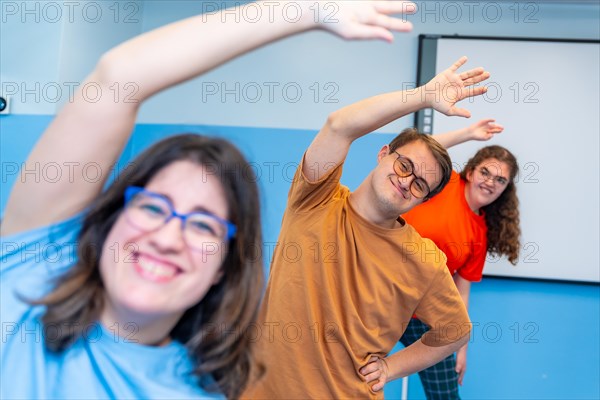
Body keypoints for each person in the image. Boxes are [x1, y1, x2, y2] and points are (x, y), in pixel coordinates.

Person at [0, 1, 418, 398]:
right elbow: (118, 77)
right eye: (152, 207)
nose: (167, 237)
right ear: (111, 220)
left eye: (202, 225)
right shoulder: (34, 267)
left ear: (223, 267)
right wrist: (308, 11)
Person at [242, 57, 491, 399]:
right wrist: (422, 96)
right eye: (404, 165)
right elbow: (339, 125)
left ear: (424, 199)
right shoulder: (315, 197)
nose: (406, 182)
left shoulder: (423, 260)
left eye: (420, 185)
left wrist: (391, 367)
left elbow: (456, 331)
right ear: (383, 153)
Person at [399, 120, 521, 400]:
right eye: (485, 172)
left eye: (500, 180)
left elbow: (460, 290)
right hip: (378, 298)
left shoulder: (480, 233)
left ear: (506, 189)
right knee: (350, 375)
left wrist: (460, 346)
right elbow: (419, 151)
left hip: (421, 315)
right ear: (471, 171)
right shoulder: (447, 182)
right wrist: (468, 134)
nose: (490, 182)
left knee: (447, 394)